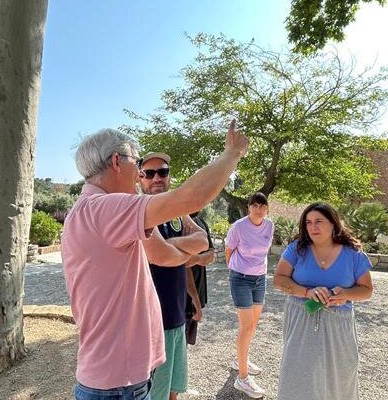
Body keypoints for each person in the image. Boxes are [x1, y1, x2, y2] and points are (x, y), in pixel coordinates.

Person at [61, 120, 248, 400]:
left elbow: (166, 254)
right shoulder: (106, 208)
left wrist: (183, 251)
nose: (139, 174)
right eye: (137, 163)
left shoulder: (89, 210)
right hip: (119, 386)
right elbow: (192, 198)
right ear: (116, 161)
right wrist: (232, 154)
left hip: (116, 380)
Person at [273, 202, 373, 400]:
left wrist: (345, 294)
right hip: (301, 320)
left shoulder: (353, 254)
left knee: (340, 377)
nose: (313, 227)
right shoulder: (296, 249)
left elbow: (367, 290)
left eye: (319, 221)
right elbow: (279, 280)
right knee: (298, 375)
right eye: (308, 222)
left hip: (339, 325)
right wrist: (306, 292)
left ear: (333, 223)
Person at [139, 152, 208, 400]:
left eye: (163, 172)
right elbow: (161, 257)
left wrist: (169, 246)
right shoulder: (139, 212)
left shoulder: (178, 213)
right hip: (151, 322)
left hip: (177, 315)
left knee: (173, 389)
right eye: (149, 173)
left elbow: (202, 240)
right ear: (139, 178)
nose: (157, 178)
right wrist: (183, 251)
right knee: (154, 394)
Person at [225, 192, 274, 399]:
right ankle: (242, 378)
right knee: (246, 326)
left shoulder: (269, 226)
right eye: (255, 205)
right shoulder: (238, 227)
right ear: (249, 207)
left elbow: (265, 252)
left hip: (260, 278)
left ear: (267, 208)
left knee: (252, 325)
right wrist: (235, 270)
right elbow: (229, 250)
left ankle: (241, 360)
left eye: (262, 205)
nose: (259, 209)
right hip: (240, 278)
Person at [184, 210, 215, 345]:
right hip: (184, 299)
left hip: (195, 295)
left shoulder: (200, 223)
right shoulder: (178, 224)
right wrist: (195, 299)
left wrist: (196, 258)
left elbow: (211, 255)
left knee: (184, 343)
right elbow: (185, 267)